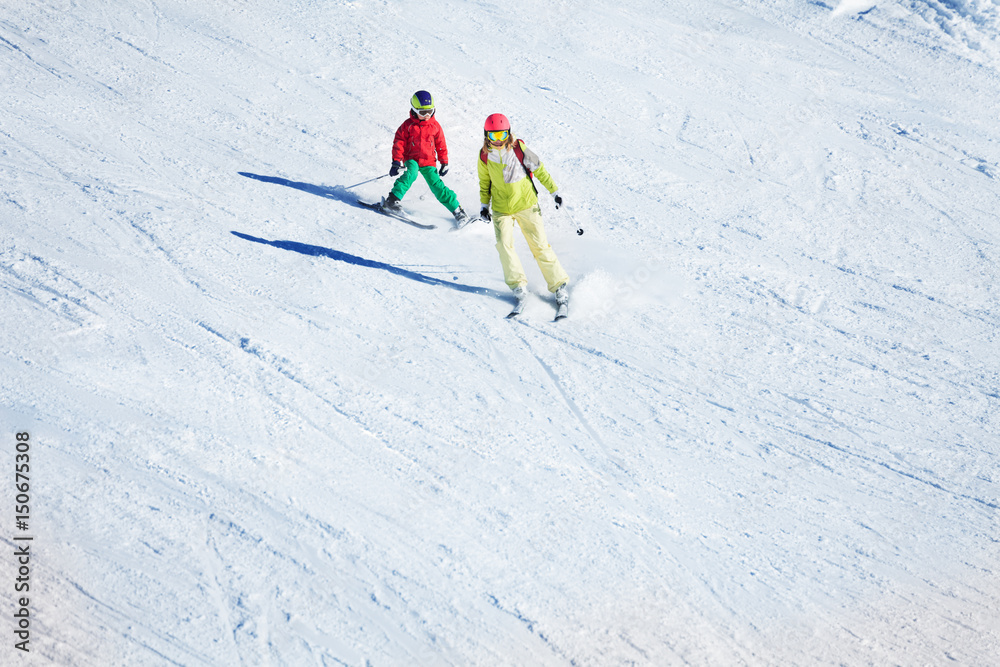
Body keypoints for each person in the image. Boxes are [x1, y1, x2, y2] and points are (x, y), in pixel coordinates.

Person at [477, 113, 568, 307]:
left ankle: (559, 286)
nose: (499, 140)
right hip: (502, 208)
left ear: (508, 133)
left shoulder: (519, 148)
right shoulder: (484, 155)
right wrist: (484, 205)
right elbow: (485, 182)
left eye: (502, 135)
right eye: (493, 136)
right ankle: (518, 286)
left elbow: (539, 168)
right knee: (504, 245)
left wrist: (554, 192)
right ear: (486, 136)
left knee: (540, 246)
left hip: (526, 204)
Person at [383, 90, 469, 224]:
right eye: (423, 112)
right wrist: (396, 161)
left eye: (430, 111)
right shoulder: (407, 126)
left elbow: (441, 145)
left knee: (437, 186)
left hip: (429, 161)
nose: (427, 115)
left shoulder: (435, 126)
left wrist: (444, 162)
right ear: (414, 110)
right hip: (411, 158)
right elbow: (398, 142)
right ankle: (392, 201)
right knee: (411, 174)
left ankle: (458, 211)